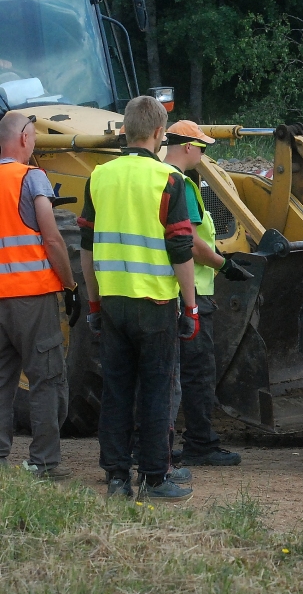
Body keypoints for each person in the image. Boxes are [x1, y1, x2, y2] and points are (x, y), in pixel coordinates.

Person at [78, 95, 198, 502]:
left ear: (126, 130)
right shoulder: (169, 180)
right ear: (160, 134)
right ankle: (154, 476)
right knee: (155, 390)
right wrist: (191, 305)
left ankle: (116, 477)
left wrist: (93, 304)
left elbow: (87, 247)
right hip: (156, 305)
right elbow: (181, 249)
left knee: (116, 389)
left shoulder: (99, 177)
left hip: (112, 303)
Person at [161, 120, 249, 467]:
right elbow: (193, 243)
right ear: (186, 147)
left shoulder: (160, 179)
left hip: (170, 290)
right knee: (197, 372)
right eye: (201, 147)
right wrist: (223, 265)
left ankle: (161, 442)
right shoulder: (181, 185)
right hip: (192, 292)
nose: (203, 153)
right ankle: (200, 442)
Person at [0, 112, 78, 479]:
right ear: (23, 139)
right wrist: (71, 285)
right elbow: (51, 238)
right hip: (32, 297)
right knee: (46, 378)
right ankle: (44, 462)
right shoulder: (32, 178)